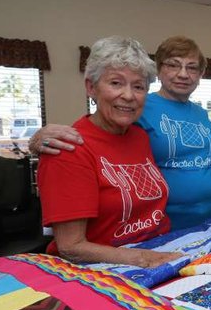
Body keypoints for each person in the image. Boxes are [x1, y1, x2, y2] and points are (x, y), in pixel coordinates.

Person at [31, 36, 211, 230]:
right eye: (173, 65)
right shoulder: (139, 106)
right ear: (159, 69)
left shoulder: (200, 114)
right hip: (167, 221)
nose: (183, 74)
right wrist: (39, 138)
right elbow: (97, 135)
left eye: (192, 67)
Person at [37, 36, 182, 267]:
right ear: (91, 87)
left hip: (157, 248)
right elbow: (71, 247)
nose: (129, 95)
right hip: (103, 268)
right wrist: (143, 259)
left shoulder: (140, 136)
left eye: (138, 87)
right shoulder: (68, 148)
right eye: (116, 83)